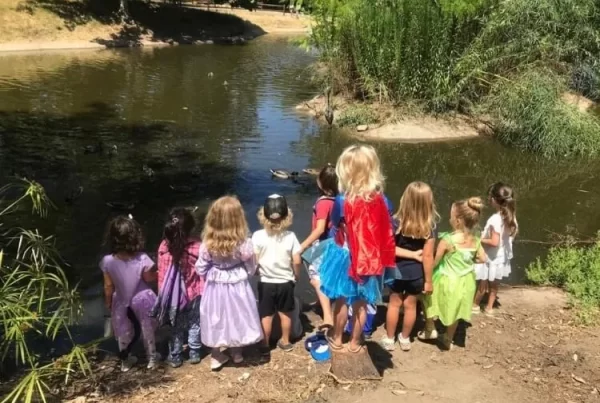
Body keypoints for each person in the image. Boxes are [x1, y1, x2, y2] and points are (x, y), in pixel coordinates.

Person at [319, 144, 396, 353]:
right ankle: (355, 342)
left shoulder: (342, 200)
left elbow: (335, 222)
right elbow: (388, 227)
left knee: (342, 299)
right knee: (361, 303)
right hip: (368, 258)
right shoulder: (383, 200)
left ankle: (337, 338)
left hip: (345, 256)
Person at [194, 196, 262, 370]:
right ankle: (236, 352)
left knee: (215, 316)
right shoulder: (244, 243)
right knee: (237, 314)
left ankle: (216, 354)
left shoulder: (207, 243)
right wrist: (247, 273)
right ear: (239, 219)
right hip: (237, 283)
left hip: (215, 284)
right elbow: (251, 266)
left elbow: (200, 268)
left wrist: (209, 273)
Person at [420, 197, 487, 351]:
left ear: (458, 221)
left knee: (427, 297)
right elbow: (483, 258)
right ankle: (448, 338)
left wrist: (426, 271)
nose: (449, 218)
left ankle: (430, 327)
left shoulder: (448, 240)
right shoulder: (475, 240)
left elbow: (435, 262)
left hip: (447, 279)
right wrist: (468, 260)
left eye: (451, 215)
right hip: (466, 281)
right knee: (456, 308)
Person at [382, 182, 437, 352]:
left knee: (393, 304)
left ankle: (390, 339)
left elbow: (389, 248)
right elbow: (427, 256)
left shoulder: (395, 222)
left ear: (405, 199)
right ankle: (405, 339)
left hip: (396, 270)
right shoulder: (431, 226)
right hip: (416, 274)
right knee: (411, 306)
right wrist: (428, 281)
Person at [100, 215, 158, 372]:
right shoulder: (142, 258)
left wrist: (108, 303)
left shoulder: (107, 261)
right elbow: (149, 277)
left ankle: (125, 360)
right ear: (134, 237)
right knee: (147, 328)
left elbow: (108, 285)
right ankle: (152, 358)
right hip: (142, 298)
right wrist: (158, 274)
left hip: (121, 299)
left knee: (123, 329)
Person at [252, 194, 302, 354]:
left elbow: (255, 258)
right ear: (287, 216)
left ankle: (265, 344)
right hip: (285, 282)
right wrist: (297, 274)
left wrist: (255, 271)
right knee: (285, 313)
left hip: (266, 281)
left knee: (266, 314)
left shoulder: (258, 235)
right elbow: (297, 259)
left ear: (263, 215)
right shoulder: (291, 236)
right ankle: (285, 341)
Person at [155, 208, 203, 368]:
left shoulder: (163, 247)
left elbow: (161, 274)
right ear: (191, 227)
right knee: (195, 322)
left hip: (173, 297)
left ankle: (175, 356)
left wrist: (162, 294)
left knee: (175, 326)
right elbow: (203, 270)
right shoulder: (197, 247)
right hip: (194, 292)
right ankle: (195, 352)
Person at [299, 165, 338, 330]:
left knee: (316, 279)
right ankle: (325, 304)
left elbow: (320, 228)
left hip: (323, 245)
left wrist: (302, 246)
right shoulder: (338, 200)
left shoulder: (322, 203)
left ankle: (328, 317)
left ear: (321, 183)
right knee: (329, 276)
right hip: (336, 244)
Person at [473, 183, 518, 316]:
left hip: (490, 257)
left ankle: (475, 305)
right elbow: (509, 237)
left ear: (493, 199)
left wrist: (479, 239)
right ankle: (489, 308)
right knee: (494, 284)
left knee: (483, 282)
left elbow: (494, 242)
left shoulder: (495, 219)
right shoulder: (511, 217)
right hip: (500, 257)